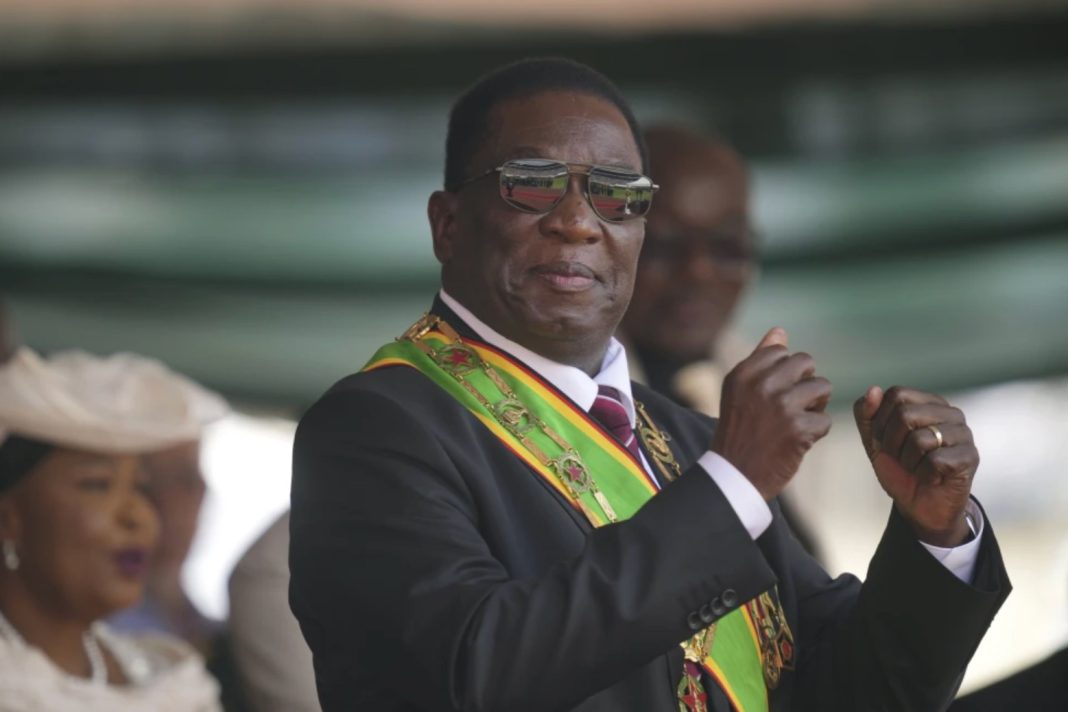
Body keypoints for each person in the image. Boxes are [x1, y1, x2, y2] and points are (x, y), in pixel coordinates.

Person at [289, 58, 1011, 712]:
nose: (577, 222)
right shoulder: (375, 427)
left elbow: (850, 694)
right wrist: (729, 486)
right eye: (533, 185)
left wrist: (935, 532)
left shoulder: (693, 439)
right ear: (448, 225)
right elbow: (467, 674)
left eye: (617, 195)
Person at [620, 125, 821, 559]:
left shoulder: (772, 385)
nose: (699, 272)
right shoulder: (570, 401)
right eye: (665, 245)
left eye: (728, 247)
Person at [0, 347, 227, 711]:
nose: (137, 515)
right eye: (98, 484)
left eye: (141, 487)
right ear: (9, 519)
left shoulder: (168, 681)